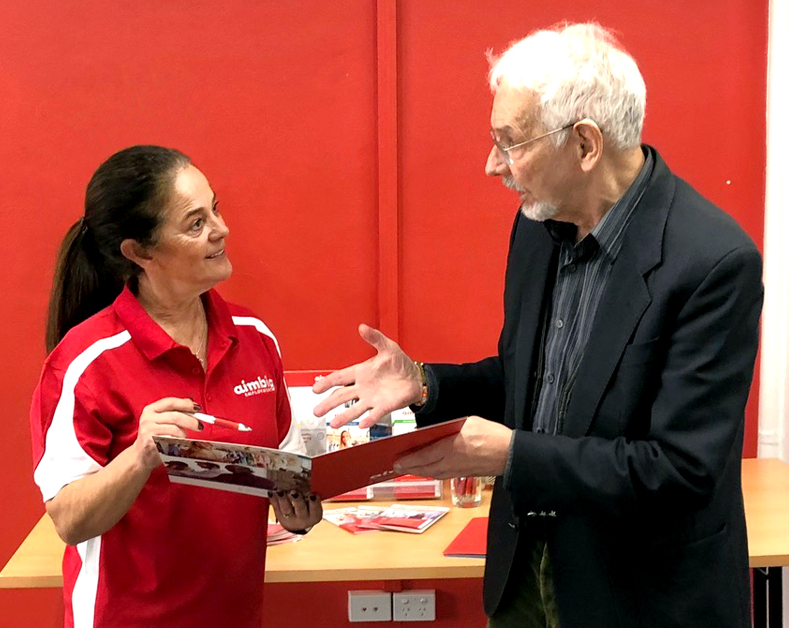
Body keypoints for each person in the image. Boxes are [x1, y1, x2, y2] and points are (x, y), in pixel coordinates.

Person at [313, 23, 762, 628]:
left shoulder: (712, 261)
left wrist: (512, 455)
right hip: (525, 568)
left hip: (640, 593)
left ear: (585, 144)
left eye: (511, 142)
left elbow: (679, 470)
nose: (492, 165)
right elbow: (538, 382)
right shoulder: (539, 226)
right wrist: (426, 384)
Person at [30, 145, 322, 628]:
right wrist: (140, 456)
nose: (221, 230)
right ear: (140, 252)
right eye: (195, 223)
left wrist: (297, 513)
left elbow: (285, 476)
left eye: (216, 209)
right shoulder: (85, 361)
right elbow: (69, 520)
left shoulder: (255, 337)